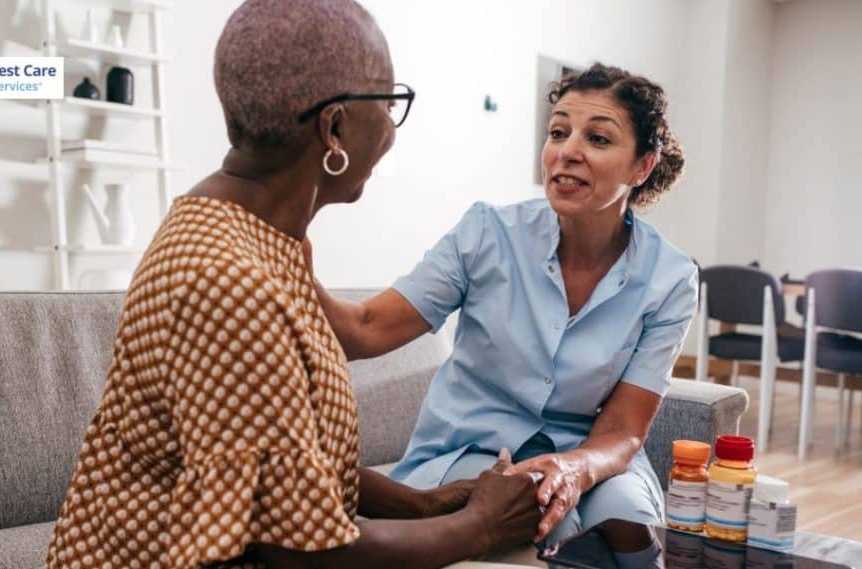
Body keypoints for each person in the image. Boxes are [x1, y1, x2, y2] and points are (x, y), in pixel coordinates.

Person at [46, 1, 540, 568]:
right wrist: (480, 527)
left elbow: (274, 455)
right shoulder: (230, 285)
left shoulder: (259, 237)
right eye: (388, 102)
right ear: (334, 128)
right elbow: (303, 556)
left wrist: (425, 506)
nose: (392, 133)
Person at [315, 62, 697, 546]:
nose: (568, 152)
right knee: (548, 524)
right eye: (558, 132)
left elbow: (623, 429)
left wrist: (573, 469)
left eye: (598, 139)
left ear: (642, 166)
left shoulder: (670, 278)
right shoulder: (487, 234)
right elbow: (367, 326)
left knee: (629, 532)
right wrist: (287, 244)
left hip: (589, 454)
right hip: (470, 448)